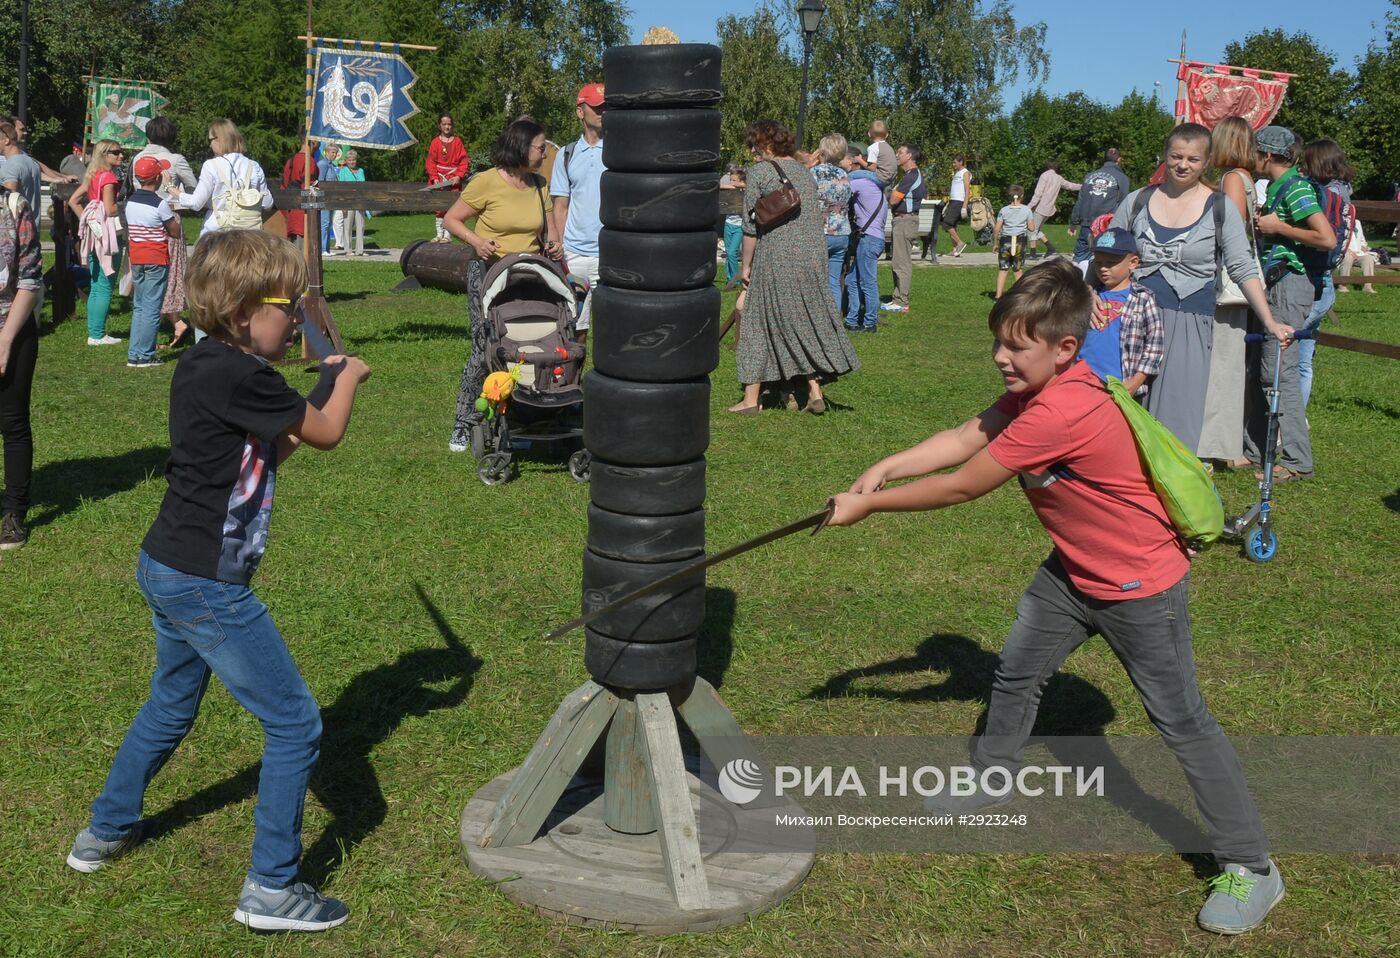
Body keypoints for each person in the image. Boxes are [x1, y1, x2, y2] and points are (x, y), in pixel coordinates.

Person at [826, 258, 1284, 938]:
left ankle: (1253, 867)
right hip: (1071, 572)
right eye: (999, 342)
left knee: (1182, 723)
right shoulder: (1035, 393)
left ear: (1065, 348)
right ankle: (993, 775)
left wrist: (871, 507)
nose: (1000, 357)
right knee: (1015, 670)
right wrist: (886, 467)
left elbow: (963, 484)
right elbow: (964, 438)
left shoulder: (1063, 408)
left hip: (1136, 586)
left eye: (1017, 346)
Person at [65, 229, 371, 933]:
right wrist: (346, 378)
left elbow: (276, 448)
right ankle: (271, 889)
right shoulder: (245, 375)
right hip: (206, 582)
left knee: (171, 705)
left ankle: (104, 832)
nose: (295, 315)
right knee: (294, 722)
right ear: (241, 313)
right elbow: (323, 433)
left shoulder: (210, 365)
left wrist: (324, 378)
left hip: (167, 566)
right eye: (284, 304)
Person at [1110, 124, 1290, 454]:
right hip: (1130, 321)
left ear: (1206, 161)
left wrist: (1269, 321)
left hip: (1188, 321)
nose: (1183, 164)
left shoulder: (1219, 207)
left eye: (1193, 159)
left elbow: (1243, 267)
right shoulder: (1137, 201)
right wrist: (1093, 297)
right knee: (1121, 414)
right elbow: (1107, 250)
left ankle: (1172, 495)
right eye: (1176, 156)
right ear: (1165, 156)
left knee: (1176, 421)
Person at [444, 118, 562, 451]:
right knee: (484, 349)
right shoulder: (486, 182)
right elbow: (452, 219)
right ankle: (464, 422)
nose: (544, 153)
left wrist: (555, 245)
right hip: (488, 274)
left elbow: (550, 231)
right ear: (522, 148)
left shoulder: (540, 184)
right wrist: (475, 240)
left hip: (528, 277)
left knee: (524, 347)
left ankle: (521, 416)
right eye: (540, 147)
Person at [732, 119, 859, 416]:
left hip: (777, 255)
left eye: (754, 145)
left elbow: (750, 227)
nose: (753, 152)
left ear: (765, 144)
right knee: (800, 317)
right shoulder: (804, 172)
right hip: (813, 254)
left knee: (756, 320)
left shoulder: (762, 171)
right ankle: (814, 391)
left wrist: (745, 266)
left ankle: (751, 400)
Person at [1243, 126, 1335, 482]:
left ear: (1266, 155)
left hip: (1289, 285)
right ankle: (1253, 450)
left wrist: (1280, 227)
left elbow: (1324, 237)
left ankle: (1298, 460)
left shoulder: (1295, 188)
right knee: (1262, 369)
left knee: (1278, 370)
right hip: (1276, 285)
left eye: (1254, 153)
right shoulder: (1283, 187)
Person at [1197, 116, 1256, 466]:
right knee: (1225, 363)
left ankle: (1214, 447)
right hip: (1232, 284)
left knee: (1220, 365)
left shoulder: (1233, 179)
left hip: (1226, 285)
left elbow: (1228, 230)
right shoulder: (1242, 177)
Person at [1295, 139, 1353, 409]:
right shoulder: (1344, 191)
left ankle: (1288, 418)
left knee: (1290, 346)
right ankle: (1299, 415)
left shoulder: (1321, 194)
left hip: (1311, 277)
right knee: (1305, 359)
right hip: (1326, 276)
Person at [0, 179, 42, 550]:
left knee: (12, 422)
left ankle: (13, 512)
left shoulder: (14, 205)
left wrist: (4, 340)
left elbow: (29, 278)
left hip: (12, 327)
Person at [133, 117, 198, 349]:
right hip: (169, 215)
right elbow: (193, 186)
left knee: (149, 269)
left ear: (148, 135)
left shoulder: (138, 158)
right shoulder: (176, 159)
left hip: (141, 217)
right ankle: (173, 320)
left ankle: (158, 323)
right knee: (171, 268)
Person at [550, 83, 608, 343]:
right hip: (575, 255)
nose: (602, 112)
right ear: (580, 112)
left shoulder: (623, 152)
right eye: (596, 107)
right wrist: (560, 247)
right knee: (575, 330)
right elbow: (559, 206)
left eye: (606, 107)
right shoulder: (566, 154)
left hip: (611, 254)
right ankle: (574, 382)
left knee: (613, 328)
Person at [1083, 227, 1163, 396]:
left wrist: (1136, 381)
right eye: (1098, 262)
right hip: (1081, 379)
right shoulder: (1091, 296)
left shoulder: (1143, 298)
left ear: (1133, 262)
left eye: (1111, 262)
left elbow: (1154, 346)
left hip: (1118, 385)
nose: (1103, 268)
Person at [173, 119, 274, 239]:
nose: (209, 145)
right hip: (250, 234)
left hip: (218, 232)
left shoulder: (211, 165)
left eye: (210, 140)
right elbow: (267, 203)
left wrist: (171, 188)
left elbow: (196, 203)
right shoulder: (254, 166)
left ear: (219, 139)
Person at [67, 138, 125, 346]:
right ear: (104, 155)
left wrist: (88, 219)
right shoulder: (109, 177)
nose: (121, 155)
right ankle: (98, 334)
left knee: (95, 282)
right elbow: (110, 209)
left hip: (94, 235)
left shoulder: (93, 175)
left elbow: (73, 201)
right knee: (105, 283)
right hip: (108, 235)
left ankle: (94, 332)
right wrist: (127, 205)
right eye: (116, 152)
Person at [124, 156, 181, 367]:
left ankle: (135, 353)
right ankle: (146, 355)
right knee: (152, 307)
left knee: (139, 305)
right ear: (157, 177)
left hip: (137, 257)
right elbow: (175, 232)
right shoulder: (160, 204)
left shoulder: (131, 201)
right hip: (156, 258)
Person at [841, 148, 887, 333]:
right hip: (869, 238)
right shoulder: (873, 184)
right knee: (852, 280)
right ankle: (852, 320)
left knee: (868, 281)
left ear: (854, 162)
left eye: (843, 160)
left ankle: (870, 322)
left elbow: (838, 191)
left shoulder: (861, 182)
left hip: (869, 239)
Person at [807, 134, 852, 313]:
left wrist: (808, 165)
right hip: (841, 232)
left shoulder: (815, 173)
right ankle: (834, 320)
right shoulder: (844, 174)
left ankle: (815, 319)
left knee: (813, 280)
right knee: (833, 280)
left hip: (821, 231)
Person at [883, 143, 926, 313]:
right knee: (898, 261)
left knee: (902, 263)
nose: (896, 155)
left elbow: (893, 200)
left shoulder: (910, 176)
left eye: (900, 152)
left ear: (909, 156)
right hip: (903, 221)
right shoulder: (911, 175)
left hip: (905, 221)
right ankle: (897, 299)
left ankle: (902, 302)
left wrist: (891, 193)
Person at [1069, 148, 1130, 266]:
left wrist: (1073, 222)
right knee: (1106, 260)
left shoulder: (1089, 176)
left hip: (1087, 223)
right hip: (1107, 225)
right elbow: (1124, 203)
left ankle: (1074, 282)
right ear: (1119, 159)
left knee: (1079, 258)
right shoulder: (1122, 178)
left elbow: (1080, 200)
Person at [426, 114, 469, 243]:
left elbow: (463, 161)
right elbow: (431, 162)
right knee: (440, 207)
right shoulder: (435, 142)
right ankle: (439, 234)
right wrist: (434, 177)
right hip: (439, 178)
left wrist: (459, 175)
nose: (447, 127)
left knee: (451, 207)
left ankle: (447, 235)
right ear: (440, 125)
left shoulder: (457, 142)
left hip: (453, 178)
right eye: (444, 124)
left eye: (449, 124)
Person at [1025, 159, 1080, 259]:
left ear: (1046, 166)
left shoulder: (1044, 176)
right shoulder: (1058, 178)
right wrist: (1084, 186)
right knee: (1037, 230)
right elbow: (1070, 186)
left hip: (1040, 208)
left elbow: (1038, 194)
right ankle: (1050, 248)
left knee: (1031, 230)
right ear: (1056, 167)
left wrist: (1028, 207)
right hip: (1049, 209)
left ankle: (1033, 254)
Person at [992, 184, 1033, 299]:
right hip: (1020, 241)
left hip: (1005, 241)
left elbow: (996, 229)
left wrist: (995, 243)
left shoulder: (1003, 210)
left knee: (1003, 269)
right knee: (1018, 270)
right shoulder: (1027, 210)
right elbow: (1032, 228)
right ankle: (1020, 296)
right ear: (1022, 196)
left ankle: (998, 296)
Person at [719, 165, 746, 287]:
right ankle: (729, 278)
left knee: (731, 253)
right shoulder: (729, 191)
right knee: (729, 254)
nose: (731, 182)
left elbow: (747, 186)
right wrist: (732, 185)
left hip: (739, 226)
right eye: (730, 179)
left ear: (741, 181)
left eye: (734, 180)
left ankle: (736, 280)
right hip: (728, 224)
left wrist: (741, 185)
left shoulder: (745, 191)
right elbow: (719, 185)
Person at [336, 151, 366, 256]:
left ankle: (360, 250)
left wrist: (356, 175)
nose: (352, 162)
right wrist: (343, 203)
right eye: (349, 160)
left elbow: (363, 183)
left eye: (353, 159)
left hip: (359, 201)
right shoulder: (343, 171)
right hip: (348, 201)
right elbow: (341, 187)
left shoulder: (361, 170)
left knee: (360, 225)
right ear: (346, 161)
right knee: (347, 225)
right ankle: (348, 249)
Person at [1337, 220, 1377, 295]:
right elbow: (1338, 241)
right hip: (1345, 251)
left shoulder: (1357, 222)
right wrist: (1349, 251)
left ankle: (1368, 286)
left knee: (1368, 258)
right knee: (1347, 257)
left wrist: (1364, 246)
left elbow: (1362, 239)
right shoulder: (1342, 220)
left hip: (1359, 252)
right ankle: (1343, 285)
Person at [944, 154, 973, 256]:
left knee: (947, 224)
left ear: (961, 162)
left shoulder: (965, 173)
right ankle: (955, 250)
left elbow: (967, 190)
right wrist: (948, 203)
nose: (953, 164)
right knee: (953, 225)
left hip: (959, 201)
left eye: (955, 162)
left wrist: (964, 206)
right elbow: (955, 189)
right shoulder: (957, 173)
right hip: (953, 201)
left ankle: (960, 243)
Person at [317, 143, 342, 252]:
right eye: (332, 152)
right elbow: (320, 181)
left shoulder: (332, 165)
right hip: (324, 198)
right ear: (326, 152)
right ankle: (322, 249)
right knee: (324, 223)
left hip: (331, 198)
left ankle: (327, 249)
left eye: (336, 153)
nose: (335, 155)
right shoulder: (323, 164)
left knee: (328, 224)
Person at [865, 120, 897, 186]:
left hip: (881, 178)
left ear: (869, 133)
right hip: (891, 179)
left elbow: (872, 168)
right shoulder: (889, 147)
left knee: (853, 174)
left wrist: (859, 160)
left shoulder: (873, 147)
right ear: (887, 135)